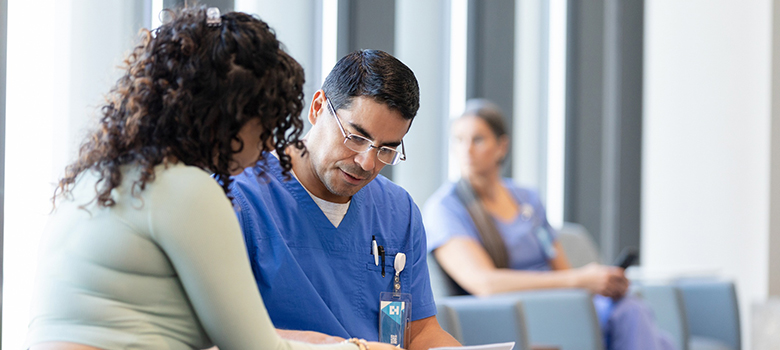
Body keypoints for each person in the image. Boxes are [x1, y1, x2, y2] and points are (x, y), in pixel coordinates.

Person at [25, 7, 397, 350]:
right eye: (265, 122)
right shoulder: (185, 190)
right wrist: (358, 348)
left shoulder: (98, 179)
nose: (269, 141)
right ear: (227, 117)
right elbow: (254, 347)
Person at [229, 50, 461, 349]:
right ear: (317, 108)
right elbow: (224, 332)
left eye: (386, 149)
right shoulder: (240, 198)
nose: (367, 162)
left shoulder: (397, 211)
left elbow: (418, 332)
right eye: (357, 137)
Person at [423, 99, 676, 350]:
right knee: (636, 318)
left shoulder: (527, 198)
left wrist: (593, 282)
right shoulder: (445, 209)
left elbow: (560, 268)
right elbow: (485, 284)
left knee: (634, 311)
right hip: (517, 314)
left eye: (477, 140)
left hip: (561, 304)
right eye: (458, 140)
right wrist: (578, 280)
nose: (466, 150)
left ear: (502, 146)